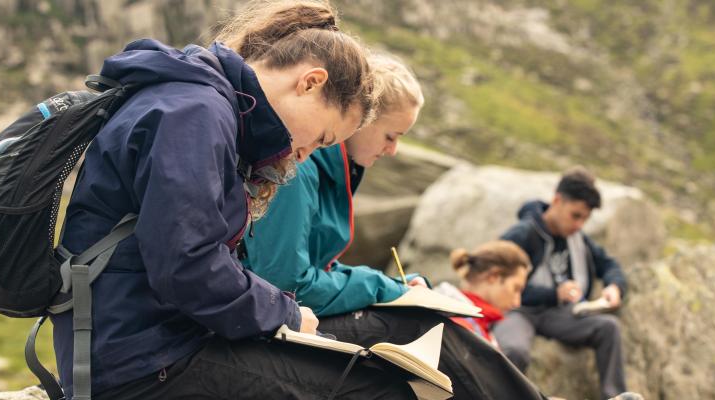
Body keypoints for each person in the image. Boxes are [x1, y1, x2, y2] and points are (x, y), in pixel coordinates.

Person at [51, 1, 418, 399]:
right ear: (310, 82)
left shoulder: (206, 106)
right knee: (379, 387)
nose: (307, 152)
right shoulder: (194, 114)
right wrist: (285, 313)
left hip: (155, 341)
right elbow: (186, 265)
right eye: (322, 138)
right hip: (138, 362)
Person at [242, 52, 549, 400]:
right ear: (362, 117)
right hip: (275, 321)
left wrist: (394, 285)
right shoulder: (302, 168)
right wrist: (382, 287)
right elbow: (285, 280)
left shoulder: (335, 170)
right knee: (422, 327)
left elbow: (313, 266)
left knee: (424, 335)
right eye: (391, 135)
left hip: (296, 312)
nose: (393, 150)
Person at [495, 167, 629, 399]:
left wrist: (614, 287)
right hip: (517, 310)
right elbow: (497, 282)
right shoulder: (522, 234)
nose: (579, 225)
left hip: (559, 314)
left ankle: (615, 396)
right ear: (557, 200)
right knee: (514, 350)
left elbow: (609, 265)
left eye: (585, 219)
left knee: (609, 328)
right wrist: (554, 294)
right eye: (575, 215)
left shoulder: (578, 239)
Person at [433, 240, 531, 349]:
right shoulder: (458, 324)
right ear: (494, 276)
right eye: (516, 288)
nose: (517, 302)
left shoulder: (479, 326)